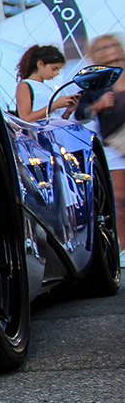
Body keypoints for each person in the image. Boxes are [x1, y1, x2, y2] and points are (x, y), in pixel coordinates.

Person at [82, 34, 125, 249]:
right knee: (119, 199)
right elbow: (81, 112)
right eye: (104, 47)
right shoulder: (95, 79)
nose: (111, 51)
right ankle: (122, 246)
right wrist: (96, 106)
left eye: (113, 46)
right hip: (114, 146)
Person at [15, 44, 78, 122]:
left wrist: (68, 111)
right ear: (40, 64)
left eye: (58, 70)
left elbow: (54, 118)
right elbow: (25, 118)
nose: (56, 73)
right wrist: (55, 105)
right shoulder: (25, 85)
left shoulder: (48, 88)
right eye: (54, 69)